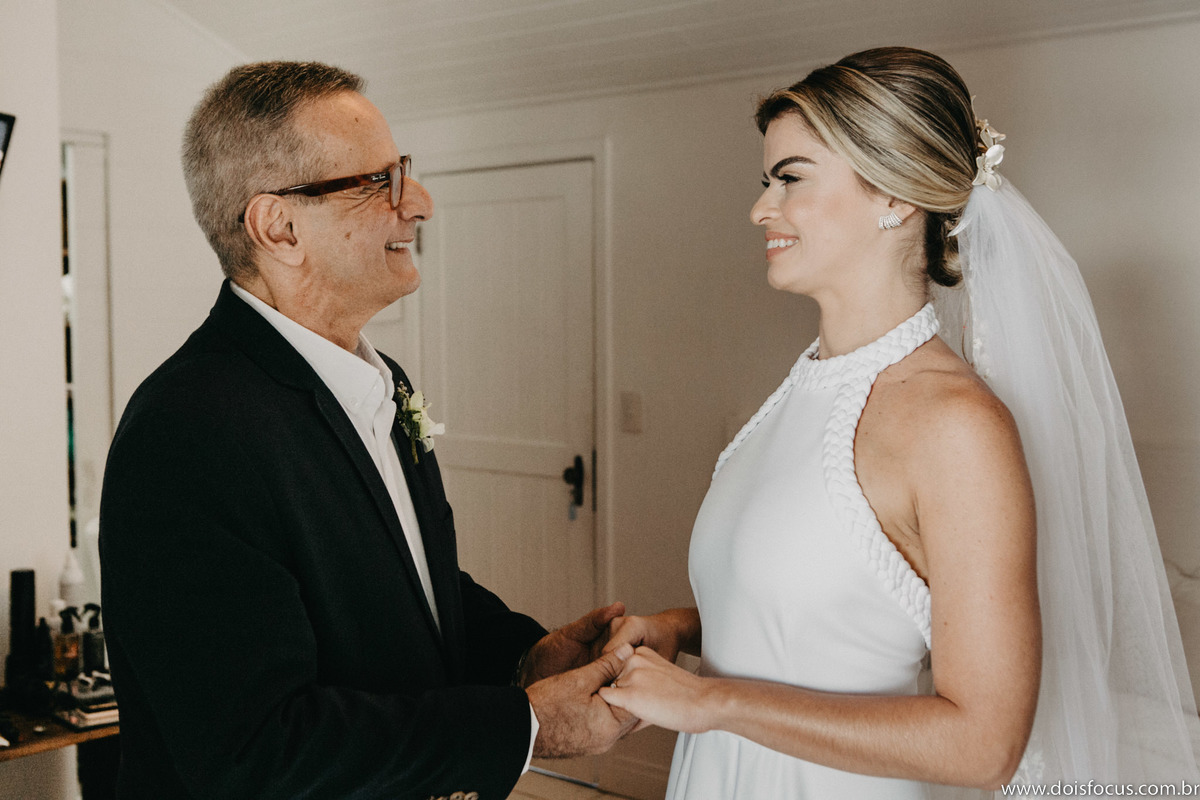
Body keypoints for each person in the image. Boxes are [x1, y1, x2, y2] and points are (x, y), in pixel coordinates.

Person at [599, 47, 1200, 798]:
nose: (761, 209)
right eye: (765, 182)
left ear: (895, 197)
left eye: (790, 178)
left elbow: (983, 746)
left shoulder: (956, 427)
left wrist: (711, 701)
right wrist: (683, 629)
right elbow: (839, 611)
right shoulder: (800, 390)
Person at [99, 61, 634, 800]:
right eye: (378, 181)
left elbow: (399, 579)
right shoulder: (187, 430)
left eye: (401, 172)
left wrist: (525, 657)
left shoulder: (382, 380)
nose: (419, 203)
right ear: (279, 227)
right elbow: (254, 752)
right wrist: (525, 725)